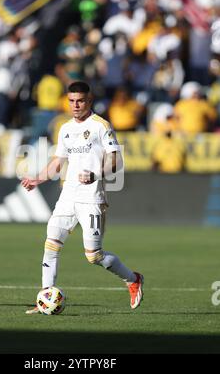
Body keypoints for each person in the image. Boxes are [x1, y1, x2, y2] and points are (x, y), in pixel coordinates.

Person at [21, 81, 144, 314]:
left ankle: (133, 279)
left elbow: (117, 160)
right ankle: (46, 296)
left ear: (89, 101)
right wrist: (38, 179)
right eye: (71, 101)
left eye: (80, 101)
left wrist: (95, 173)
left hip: (92, 198)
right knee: (51, 242)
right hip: (68, 195)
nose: (75, 105)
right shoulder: (65, 128)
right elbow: (58, 161)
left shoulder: (100, 126)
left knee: (94, 255)